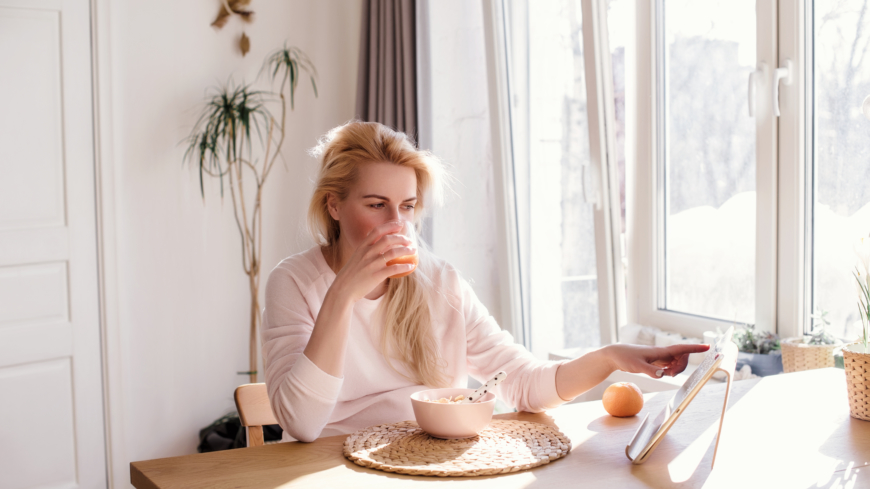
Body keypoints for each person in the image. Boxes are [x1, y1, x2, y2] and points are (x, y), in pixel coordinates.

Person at [262, 121, 709, 443]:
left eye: (408, 206)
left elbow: (522, 382)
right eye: (377, 205)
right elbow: (302, 424)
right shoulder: (294, 283)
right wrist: (343, 294)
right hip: (330, 466)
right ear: (334, 206)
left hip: (427, 463)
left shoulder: (440, 281)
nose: (397, 224)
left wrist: (610, 357)